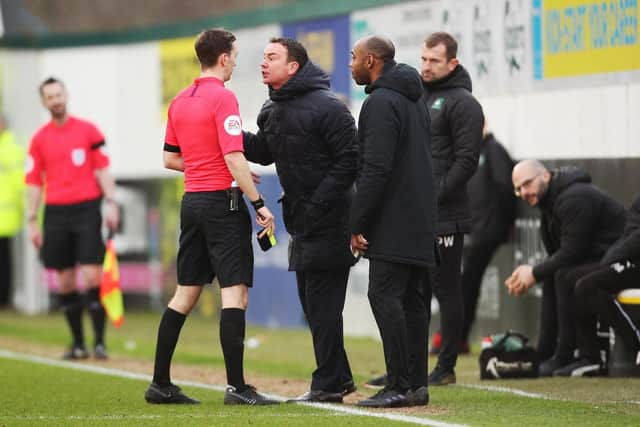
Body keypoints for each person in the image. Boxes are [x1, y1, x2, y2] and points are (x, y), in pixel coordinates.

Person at [144, 29, 278, 406]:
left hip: (193, 203)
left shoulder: (180, 100)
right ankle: (237, 387)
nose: (236, 61)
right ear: (222, 58)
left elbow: (170, 159)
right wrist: (258, 203)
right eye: (234, 55)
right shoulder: (224, 97)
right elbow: (234, 156)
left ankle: (160, 383)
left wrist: (212, 165)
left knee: (185, 293)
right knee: (235, 292)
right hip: (225, 204)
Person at [243, 37, 358, 403]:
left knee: (323, 308)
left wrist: (318, 202)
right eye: (263, 57)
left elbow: (350, 161)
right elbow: (264, 151)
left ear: (292, 67)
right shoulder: (272, 108)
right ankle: (340, 377)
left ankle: (326, 387)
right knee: (313, 308)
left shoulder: (329, 107)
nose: (264, 63)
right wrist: (228, 134)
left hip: (331, 220)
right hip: (302, 222)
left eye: (272, 57)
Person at [350, 35, 437, 408]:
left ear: (371, 61)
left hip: (394, 219)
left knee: (383, 295)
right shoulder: (415, 100)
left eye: (353, 57)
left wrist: (357, 222)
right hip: (421, 218)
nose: (350, 63)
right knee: (413, 302)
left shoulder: (381, 102)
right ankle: (416, 385)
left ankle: (398, 384)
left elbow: (376, 168)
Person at [25, 77, 119, 359]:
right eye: (50, 97)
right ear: (44, 102)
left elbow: (103, 169)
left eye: (58, 94)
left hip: (87, 209)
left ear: (66, 95)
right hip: (55, 212)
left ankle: (99, 343)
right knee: (65, 281)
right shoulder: (39, 139)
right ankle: (78, 344)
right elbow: (32, 181)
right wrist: (32, 220)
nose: (56, 100)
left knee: (92, 275)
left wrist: (111, 202)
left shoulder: (88, 130)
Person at [506, 160, 625, 376]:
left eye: (526, 184)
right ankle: (546, 352)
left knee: (565, 275)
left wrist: (533, 272)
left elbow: (573, 252)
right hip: (599, 259)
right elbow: (560, 256)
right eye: (518, 189)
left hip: (623, 262)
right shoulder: (548, 205)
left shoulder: (575, 197)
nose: (523, 192)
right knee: (557, 274)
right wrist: (537, 272)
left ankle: (578, 355)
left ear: (544, 176)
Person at [420, 31, 484, 386]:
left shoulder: (464, 103)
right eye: (424, 59)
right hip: (415, 214)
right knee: (414, 292)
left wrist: (435, 195)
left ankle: (445, 368)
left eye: (435, 61)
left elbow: (466, 162)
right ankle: (409, 367)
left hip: (447, 215)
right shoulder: (417, 96)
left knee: (447, 291)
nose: (427, 67)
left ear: (452, 63)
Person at [555, 193, 640, 376]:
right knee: (570, 278)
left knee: (588, 286)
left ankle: (635, 343)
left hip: (633, 262)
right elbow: (631, 234)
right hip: (629, 258)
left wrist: (614, 257)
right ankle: (590, 357)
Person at [460, 126, 516, 349]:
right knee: (463, 282)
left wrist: (503, 224)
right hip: (473, 229)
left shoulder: (494, 150)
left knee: (468, 282)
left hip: (487, 230)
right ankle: (456, 335)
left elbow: (505, 188)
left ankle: (457, 336)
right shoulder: (473, 152)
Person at [0, 113, 25, 308]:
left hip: (5, 217)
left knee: (4, 260)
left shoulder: (11, 149)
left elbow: (20, 184)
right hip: (5, 215)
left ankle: (4, 298)